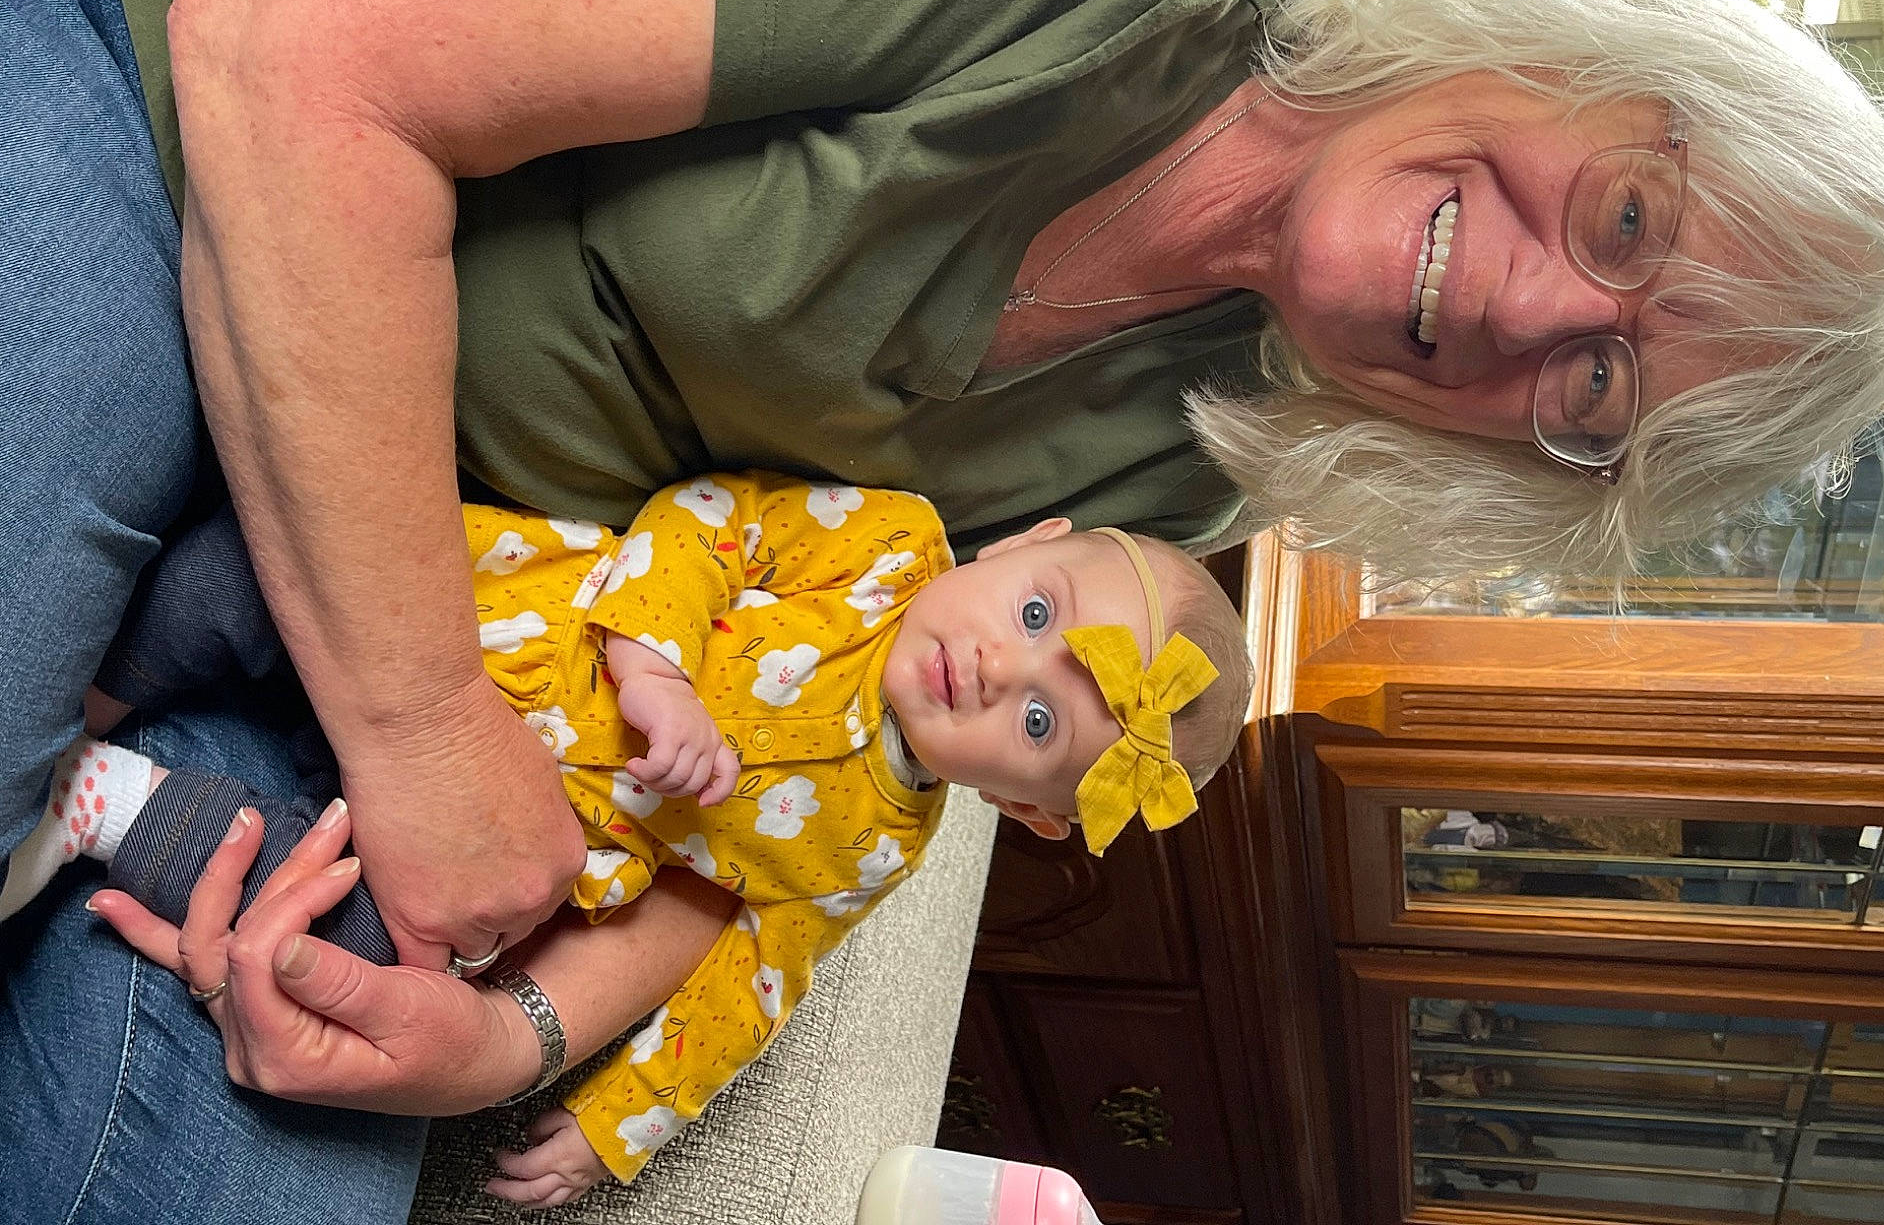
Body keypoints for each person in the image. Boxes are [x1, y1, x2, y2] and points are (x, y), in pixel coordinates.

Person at [0, 0, 1884, 1218]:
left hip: (390, 571)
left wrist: (502, 1040)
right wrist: (422, 730)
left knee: (192, 1163)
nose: (1539, 317)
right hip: (150, 20)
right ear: (1574, 50)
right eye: (1626, 224)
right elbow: (301, 41)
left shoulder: (1175, 493)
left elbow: (813, 799)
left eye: (1601, 398)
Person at [8, 470, 1250, 1205]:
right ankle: (65, 719)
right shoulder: (888, 546)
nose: (992, 667)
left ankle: (105, 803)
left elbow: (753, 982)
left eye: (1038, 720)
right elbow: (711, 517)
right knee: (226, 579)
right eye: (1034, 612)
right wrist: (654, 671)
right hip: (470, 621)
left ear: (1027, 812)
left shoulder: (878, 848)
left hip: (472, 858)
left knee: (350, 948)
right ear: (1027, 543)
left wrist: (620, 1131)